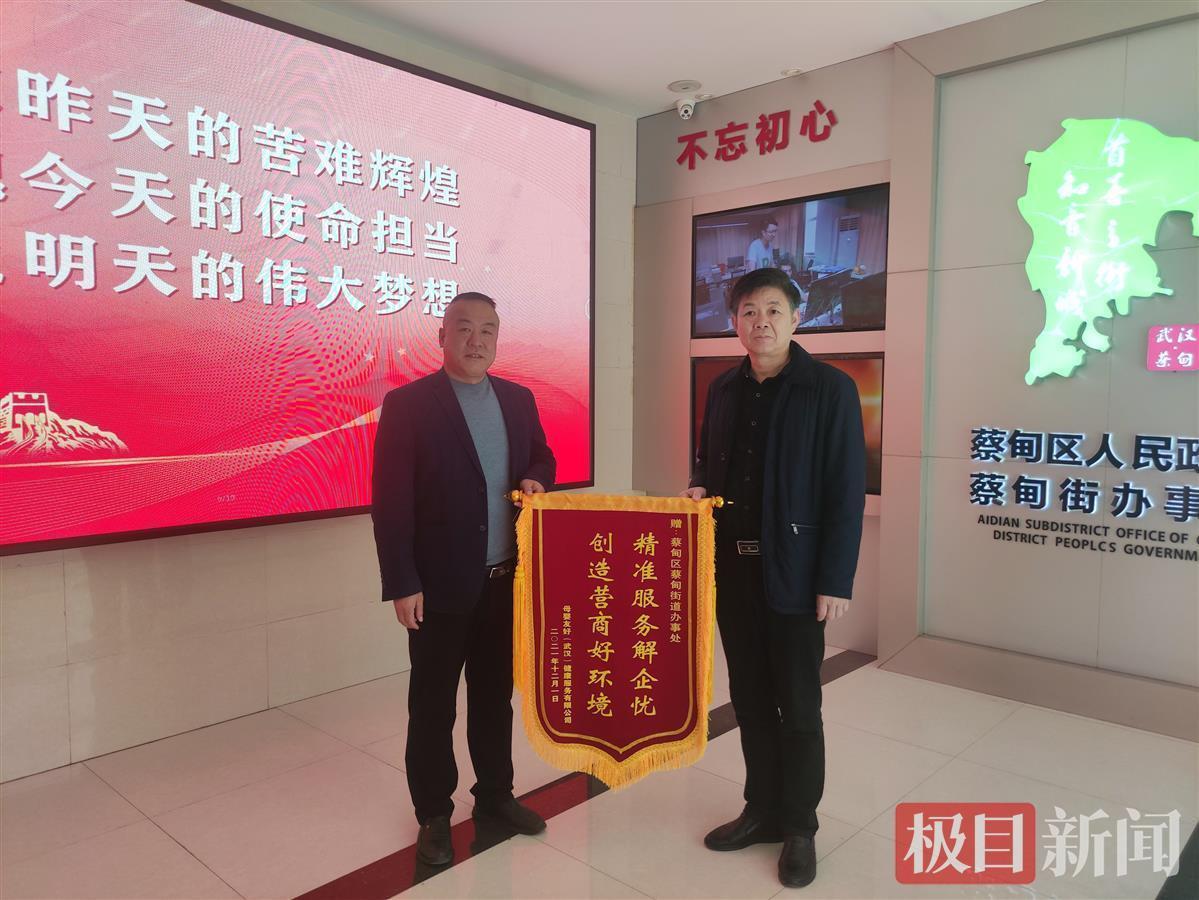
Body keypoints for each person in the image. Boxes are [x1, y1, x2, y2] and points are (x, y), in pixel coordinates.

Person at [682, 267, 865, 889]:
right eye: (749, 312)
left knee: (799, 705)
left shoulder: (828, 389)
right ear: (734, 321)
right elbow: (707, 459)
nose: (761, 322)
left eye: (773, 311)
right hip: (733, 571)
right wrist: (700, 485)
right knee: (751, 699)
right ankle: (760, 809)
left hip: (796, 573)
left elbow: (845, 489)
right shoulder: (723, 388)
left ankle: (800, 826)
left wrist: (835, 578)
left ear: (796, 317)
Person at [371, 291, 556, 866]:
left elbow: (543, 457)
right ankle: (433, 813)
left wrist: (536, 477)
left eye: (488, 330)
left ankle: (495, 796)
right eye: (465, 328)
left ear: (497, 338)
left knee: (494, 698)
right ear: (442, 335)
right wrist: (402, 581)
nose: (477, 341)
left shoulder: (518, 400)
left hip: (505, 581)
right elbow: (390, 501)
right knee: (433, 705)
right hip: (439, 586)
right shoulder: (409, 405)